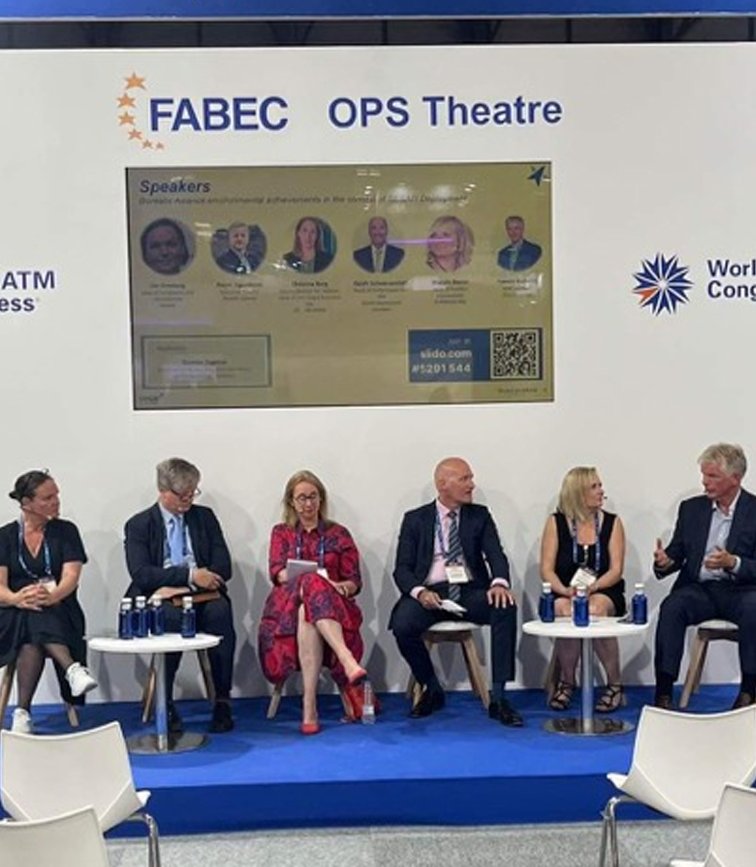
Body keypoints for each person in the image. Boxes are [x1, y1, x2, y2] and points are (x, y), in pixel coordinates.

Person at [389, 457, 523, 726]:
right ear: (443, 484)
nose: (472, 485)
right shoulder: (415, 519)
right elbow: (402, 569)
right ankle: (431, 687)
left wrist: (499, 583)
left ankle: (499, 697)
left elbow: (496, 555)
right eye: (465, 479)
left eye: (471, 478)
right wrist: (419, 593)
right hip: (430, 592)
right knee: (402, 624)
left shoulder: (479, 516)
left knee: (504, 606)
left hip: (469, 590)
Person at [124, 458, 237, 733]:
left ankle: (222, 701)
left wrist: (187, 583)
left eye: (192, 493)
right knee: (169, 618)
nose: (188, 500)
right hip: (161, 599)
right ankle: (165, 702)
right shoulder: (139, 525)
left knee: (220, 614)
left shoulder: (205, 518)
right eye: (182, 494)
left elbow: (223, 567)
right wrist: (190, 575)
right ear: (163, 491)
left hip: (201, 594)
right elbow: (142, 574)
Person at [258, 470, 371, 734]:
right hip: (287, 604)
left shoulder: (339, 534)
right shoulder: (282, 533)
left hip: (333, 607)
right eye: (301, 498)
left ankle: (309, 706)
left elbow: (354, 581)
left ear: (321, 500)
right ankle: (346, 658)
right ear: (291, 502)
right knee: (310, 582)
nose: (308, 504)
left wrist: (339, 587)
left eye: (313, 497)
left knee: (306, 612)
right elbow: (278, 572)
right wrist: (315, 579)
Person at [653, 443, 756, 710]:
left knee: (754, 608)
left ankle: (748, 691)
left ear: (735, 478)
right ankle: (663, 693)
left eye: (712, 476)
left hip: (741, 590)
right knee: (672, 607)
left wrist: (733, 563)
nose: (705, 482)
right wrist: (665, 562)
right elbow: (677, 552)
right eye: (704, 475)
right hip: (700, 590)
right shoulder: (692, 509)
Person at [0, 470, 97, 734]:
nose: (56, 501)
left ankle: (22, 712)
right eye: (47, 498)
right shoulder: (5, 537)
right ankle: (72, 669)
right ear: (27, 503)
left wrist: (51, 596)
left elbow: (71, 577)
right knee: (31, 614)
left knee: (35, 624)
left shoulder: (66, 531)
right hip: (13, 613)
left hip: (60, 608)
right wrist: (17, 599)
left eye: (56, 495)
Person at [540, 467, 627, 713]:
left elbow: (616, 570)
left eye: (600, 486)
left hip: (603, 589)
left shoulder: (612, 522)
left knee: (595, 609)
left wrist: (593, 587)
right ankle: (568, 681)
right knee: (565, 610)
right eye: (594, 487)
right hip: (565, 590)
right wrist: (564, 590)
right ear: (578, 493)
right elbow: (546, 569)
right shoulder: (556, 522)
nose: (601, 491)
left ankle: (614, 684)